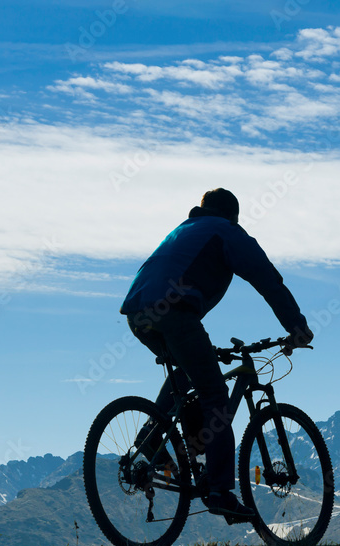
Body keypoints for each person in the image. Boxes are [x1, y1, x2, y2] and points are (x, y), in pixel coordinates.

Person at [120, 188, 313, 523]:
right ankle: (221, 492)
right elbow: (268, 280)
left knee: (188, 369)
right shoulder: (227, 232)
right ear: (234, 216)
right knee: (215, 396)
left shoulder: (184, 229)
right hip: (174, 312)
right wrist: (296, 327)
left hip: (138, 311)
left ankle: (151, 438)